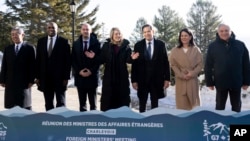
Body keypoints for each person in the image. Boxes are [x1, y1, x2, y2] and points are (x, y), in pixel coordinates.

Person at [205, 23, 250, 112]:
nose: (224, 33)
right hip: (220, 81)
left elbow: (246, 64)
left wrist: (246, 82)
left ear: (231, 32)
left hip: (236, 81)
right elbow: (208, 65)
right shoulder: (212, 46)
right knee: (220, 107)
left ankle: (236, 124)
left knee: (236, 107)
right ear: (218, 32)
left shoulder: (240, 45)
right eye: (221, 31)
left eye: (226, 30)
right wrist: (209, 82)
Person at [131, 24, 170, 113]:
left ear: (153, 31)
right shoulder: (138, 45)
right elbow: (135, 64)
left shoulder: (161, 44)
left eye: (148, 31)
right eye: (144, 32)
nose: (147, 33)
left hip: (156, 80)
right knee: (142, 104)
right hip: (142, 80)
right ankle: (142, 123)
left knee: (155, 105)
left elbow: (166, 62)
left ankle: (154, 122)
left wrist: (167, 78)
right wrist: (134, 80)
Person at [99, 27, 139, 111]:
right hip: (109, 78)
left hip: (122, 78)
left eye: (119, 33)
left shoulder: (126, 46)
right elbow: (101, 59)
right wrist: (94, 57)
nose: (118, 35)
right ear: (112, 35)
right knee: (108, 101)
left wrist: (132, 58)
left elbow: (128, 59)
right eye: (116, 34)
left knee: (122, 101)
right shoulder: (106, 46)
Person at [35, 22, 71, 111]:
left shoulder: (64, 42)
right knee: (48, 103)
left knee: (61, 103)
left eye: (53, 28)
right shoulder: (41, 42)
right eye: (49, 27)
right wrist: (37, 77)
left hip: (60, 78)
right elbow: (38, 60)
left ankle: (61, 122)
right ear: (46, 29)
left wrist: (66, 77)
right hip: (45, 78)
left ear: (57, 29)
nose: (51, 29)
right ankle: (49, 121)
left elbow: (68, 61)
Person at [0, 27, 36, 110]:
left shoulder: (30, 48)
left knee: (24, 106)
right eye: (12, 34)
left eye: (16, 34)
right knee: (11, 107)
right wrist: (2, 80)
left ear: (22, 35)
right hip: (10, 83)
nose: (14, 36)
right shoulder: (8, 49)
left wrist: (31, 80)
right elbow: (4, 65)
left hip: (24, 83)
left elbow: (33, 66)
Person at [169, 28, 203, 110]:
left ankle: (195, 121)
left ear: (190, 37)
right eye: (182, 36)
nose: (183, 37)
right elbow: (173, 65)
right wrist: (181, 74)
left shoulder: (196, 50)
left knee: (194, 104)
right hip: (181, 79)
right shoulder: (175, 50)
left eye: (186, 35)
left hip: (192, 80)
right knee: (182, 105)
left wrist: (192, 73)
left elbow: (200, 65)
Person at [71, 23, 100, 111]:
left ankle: (93, 122)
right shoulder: (76, 44)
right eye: (84, 29)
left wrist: (91, 71)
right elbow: (73, 60)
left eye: (87, 29)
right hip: (80, 78)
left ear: (90, 31)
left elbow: (100, 60)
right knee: (82, 104)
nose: (85, 31)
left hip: (92, 77)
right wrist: (79, 71)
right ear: (81, 31)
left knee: (93, 105)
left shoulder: (97, 43)